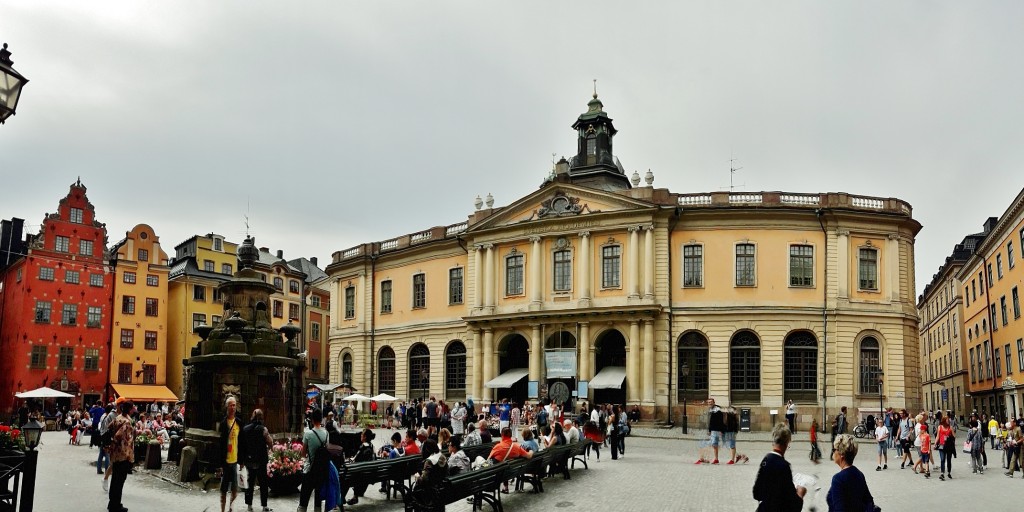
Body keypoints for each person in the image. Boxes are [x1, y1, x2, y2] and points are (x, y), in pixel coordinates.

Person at [752, 423, 806, 512]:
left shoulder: (766, 460)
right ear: (786, 443)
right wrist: (800, 494)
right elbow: (792, 503)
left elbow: (756, 493)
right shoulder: (784, 466)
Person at [826, 434, 877, 511]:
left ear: (842, 454)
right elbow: (869, 501)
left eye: (834, 450)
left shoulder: (838, 479)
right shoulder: (859, 474)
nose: (833, 452)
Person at [240, 408, 274, 512]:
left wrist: (241, 461)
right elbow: (270, 442)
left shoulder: (245, 429)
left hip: (249, 460)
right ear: (261, 418)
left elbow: (241, 446)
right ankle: (264, 507)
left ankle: (249, 506)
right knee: (263, 483)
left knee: (250, 483)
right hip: (261, 461)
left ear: (252, 417)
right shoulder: (263, 429)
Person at [107, 400, 135, 512]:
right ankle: (116, 505)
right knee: (119, 481)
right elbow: (123, 440)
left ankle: (111, 503)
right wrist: (129, 457)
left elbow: (109, 428)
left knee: (115, 480)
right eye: (133, 408)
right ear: (129, 409)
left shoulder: (117, 418)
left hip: (115, 454)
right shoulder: (127, 422)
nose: (134, 410)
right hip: (123, 455)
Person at [298, 409, 328, 512]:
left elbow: (303, 453)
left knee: (304, 498)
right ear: (321, 419)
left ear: (311, 420)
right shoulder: (326, 434)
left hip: (309, 469)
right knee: (318, 500)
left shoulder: (308, 434)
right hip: (321, 471)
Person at [216, 396, 242, 512]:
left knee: (235, 491)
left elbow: (242, 442)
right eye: (231, 405)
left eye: (234, 405)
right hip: (226, 462)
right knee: (223, 490)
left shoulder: (239, 422)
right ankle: (222, 510)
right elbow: (220, 444)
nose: (233, 407)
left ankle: (230, 508)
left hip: (235, 460)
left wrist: (242, 460)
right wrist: (220, 464)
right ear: (227, 407)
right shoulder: (223, 423)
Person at [489, 426, 533, 492]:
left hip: (497, 476)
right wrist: (531, 451)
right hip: (511, 473)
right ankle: (505, 487)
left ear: (502, 435)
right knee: (505, 465)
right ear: (511, 435)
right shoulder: (517, 447)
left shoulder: (498, 447)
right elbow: (529, 456)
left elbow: (488, 460)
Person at [344, 428, 376, 506]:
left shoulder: (363, 447)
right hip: (371, 474)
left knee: (344, 476)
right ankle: (358, 493)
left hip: (361, 475)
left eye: (362, 434)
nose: (360, 436)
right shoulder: (371, 446)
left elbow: (357, 462)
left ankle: (342, 498)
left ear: (365, 437)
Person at [698, 398, 725, 464]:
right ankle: (715, 459)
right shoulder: (711, 410)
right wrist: (709, 430)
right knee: (714, 445)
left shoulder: (717, 410)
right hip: (712, 430)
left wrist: (721, 430)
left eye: (710, 402)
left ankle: (704, 458)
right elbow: (710, 422)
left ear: (714, 402)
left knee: (711, 444)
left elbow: (720, 421)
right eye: (708, 402)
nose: (709, 403)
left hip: (716, 430)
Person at [936, 415, 955, 480]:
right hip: (941, 445)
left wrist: (950, 437)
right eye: (947, 420)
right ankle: (942, 473)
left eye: (948, 420)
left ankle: (949, 472)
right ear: (944, 421)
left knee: (949, 460)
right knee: (942, 459)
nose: (948, 421)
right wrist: (935, 443)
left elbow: (954, 437)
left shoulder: (950, 427)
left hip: (949, 446)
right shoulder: (939, 427)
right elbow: (938, 436)